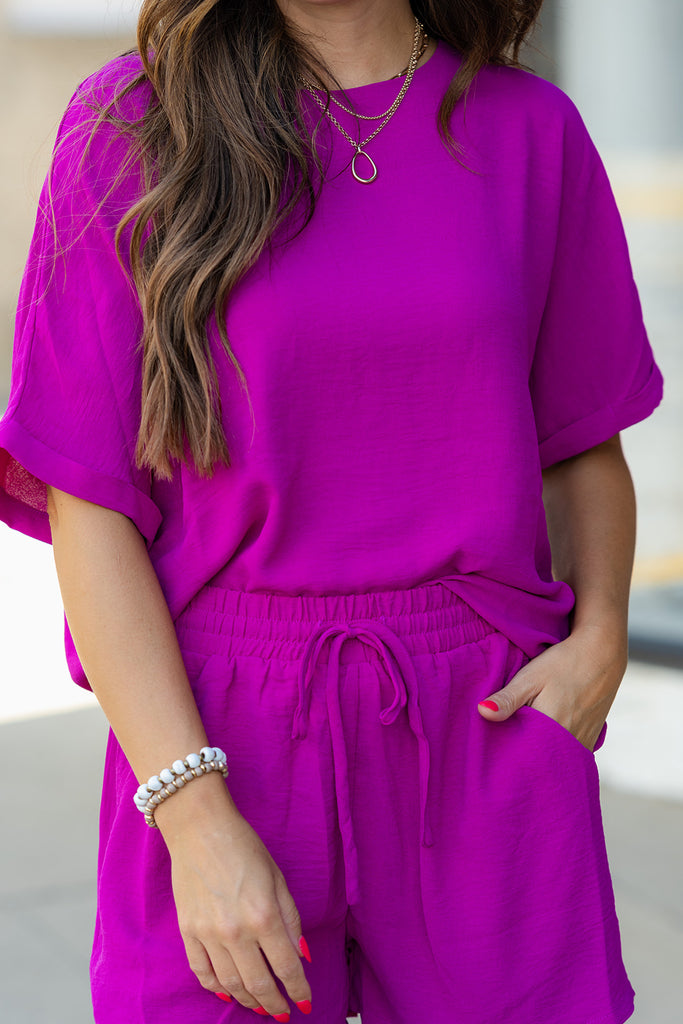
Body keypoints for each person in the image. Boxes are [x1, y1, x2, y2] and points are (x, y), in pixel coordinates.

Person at [0, 0, 664, 1021]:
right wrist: (192, 814)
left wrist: (600, 642)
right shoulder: (130, 127)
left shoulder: (529, 130)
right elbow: (92, 504)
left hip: (483, 724)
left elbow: (579, 439)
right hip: (218, 724)